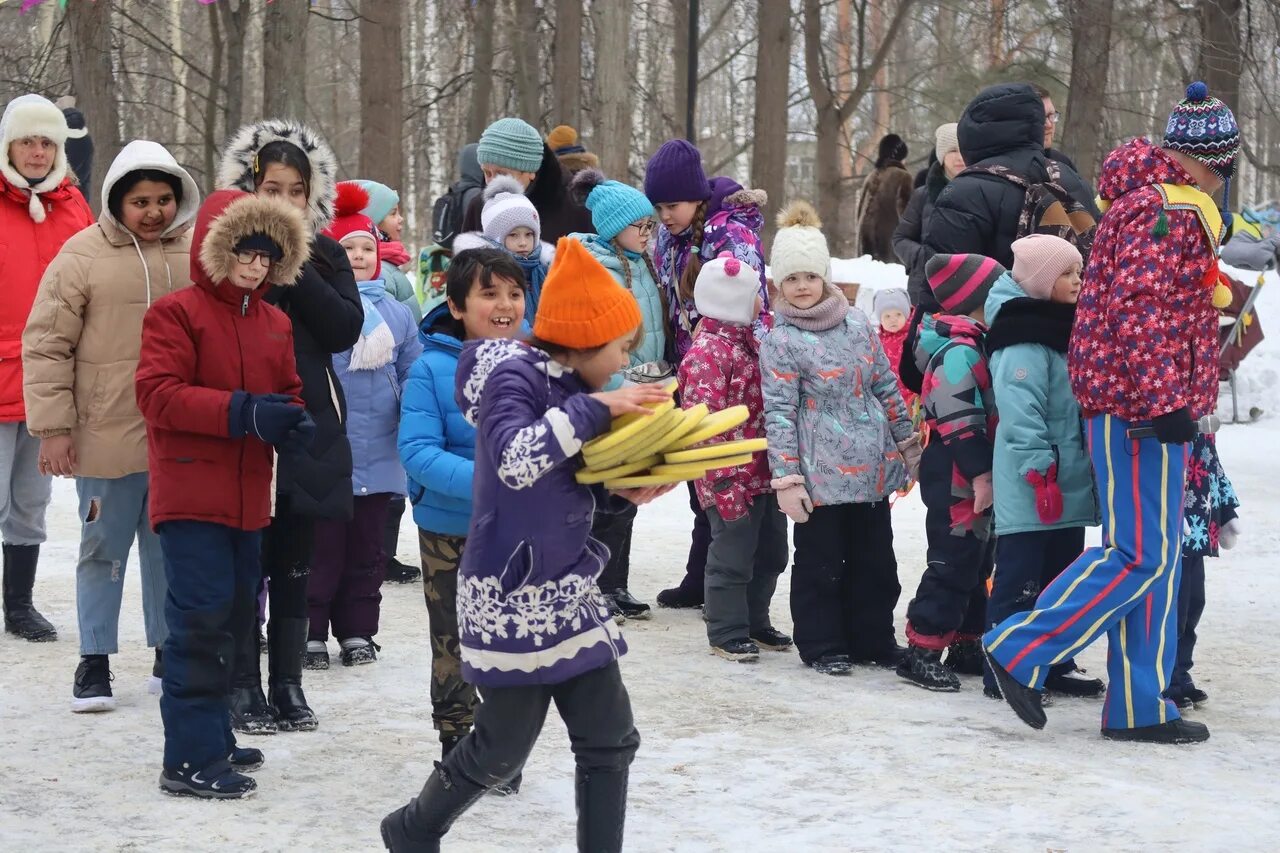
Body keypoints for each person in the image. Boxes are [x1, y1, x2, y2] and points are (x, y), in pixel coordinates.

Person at [381, 237, 673, 852]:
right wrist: (597, 408)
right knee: (502, 747)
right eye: (620, 346)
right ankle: (411, 829)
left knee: (609, 739)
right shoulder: (507, 376)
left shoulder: (571, 387)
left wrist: (627, 488)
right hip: (509, 593)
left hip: (565, 586)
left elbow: (571, 476)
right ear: (585, 342)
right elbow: (515, 460)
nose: (625, 358)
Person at [984, 83, 1239, 745]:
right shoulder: (1171, 214)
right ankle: (1019, 645)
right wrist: (1166, 400)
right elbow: (1143, 312)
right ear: (1212, 163)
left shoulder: (1148, 205)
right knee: (1142, 555)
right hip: (1139, 406)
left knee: (1147, 555)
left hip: (1133, 400)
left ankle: (1139, 700)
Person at [136, 187, 312, 799]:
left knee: (236, 619)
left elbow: (286, 390)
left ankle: (214, 735)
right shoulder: (176, 313)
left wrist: (293, 419)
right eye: (246, 252)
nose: (256, 266)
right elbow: (157, 395)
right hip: (190, 495)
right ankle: (187, 758)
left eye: (268, 257)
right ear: (217, 249)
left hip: (247, 499)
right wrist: (242, 413)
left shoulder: (274, 321)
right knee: (200, 623)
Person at [22, 140, 199, 711]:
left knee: (169, 550)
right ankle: (93, 661)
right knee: (101, 546)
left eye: (164, 199)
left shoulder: (197, 254)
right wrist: (53, 429)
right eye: (141, 201)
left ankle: (168, 653)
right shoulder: (80, 255)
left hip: (178, 436)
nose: (154, 212)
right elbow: (47, 344)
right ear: (116, 203)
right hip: (104, 433)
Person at [217, 119, 363, 734]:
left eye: (295, 191)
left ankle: (289, 683)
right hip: (245, 425)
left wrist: (295, 266)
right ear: (251, 188)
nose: (282, 202)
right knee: (245, 560)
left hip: (309, 425)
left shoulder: (327, 255)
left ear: (311, 196)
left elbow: (343, 331)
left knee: (295, 558)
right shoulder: (227, 253)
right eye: (271, 189)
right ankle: (244, 686)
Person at [761, 202, 915, 675]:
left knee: (875, 561)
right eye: (791, 279)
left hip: (870, 467)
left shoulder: (856, 324)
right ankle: (823, 642)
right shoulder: (780, 340)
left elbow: (886, 385)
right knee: (821, 563)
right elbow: (780, 413)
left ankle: (872, 637)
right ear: (779, 285)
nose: (802, 287)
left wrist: (907, 444)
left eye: (810, 276)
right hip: (819, 474)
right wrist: (786, 479)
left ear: (825, 276)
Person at [399, 249, 527, 762]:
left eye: (515, 293)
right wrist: (490, 481)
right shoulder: (429, 369)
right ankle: (457, 735)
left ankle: (500, 742)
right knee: (455, 640)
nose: (505, 305)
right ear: (455, 304)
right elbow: (417, 452)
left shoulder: (533, 364)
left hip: (519, 531)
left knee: (513, 637)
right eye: (489, 293)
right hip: (450, 530)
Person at [643, 137, 770, 610]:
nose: (664, 215)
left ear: (695, 196)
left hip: (733, 367)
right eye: (658, 207)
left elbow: (750, 305)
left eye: (672, 205)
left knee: (732, 472)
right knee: (702, 469)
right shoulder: (669, 239)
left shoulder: (729, 235)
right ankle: (704, 572)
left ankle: (731, 582)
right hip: (693, 366)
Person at [982, 234, 1103, 701]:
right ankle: (1002, 665)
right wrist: (1040, 471)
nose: (1077, 281)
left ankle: (1052, 663)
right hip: (1036, 484)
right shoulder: (1022, 337)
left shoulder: (1058, 326)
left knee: (1060, 578)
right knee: (1019, 579)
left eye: (1078, 271)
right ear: (1040, 281)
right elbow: (1020, 411)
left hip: (1066, 480)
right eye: (1067, 274)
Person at [306, 184, 422, 670]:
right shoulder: (314, 307)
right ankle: (310, 632)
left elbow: (414, 369)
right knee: (322, 548)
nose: (357, 256)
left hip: (380, 449)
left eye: (367, 248)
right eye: (347, 247)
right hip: (326, 450)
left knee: (368, 550)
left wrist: (414, 415)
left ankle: (357, 630)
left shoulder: (396, 313)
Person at [0, 93, 94, 644]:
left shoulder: (74, 208)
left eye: (46, 142)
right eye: (27, 140)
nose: (37, 152)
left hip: (50, 380)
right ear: (9, 145)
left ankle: (18, 604)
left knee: (31, 501)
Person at [678, 252, 791, 663]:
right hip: (728, 478)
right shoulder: (708, 353)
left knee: (772, 551)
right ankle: (726, 630)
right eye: (755, 295)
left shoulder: (751, 343)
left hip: (763, 473)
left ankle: (755, 619)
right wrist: (723, 481)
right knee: (732, 556)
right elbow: (702, 425)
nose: (762, 302)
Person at [897, 253, 1003, 691]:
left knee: (979, 560)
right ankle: (922, 648)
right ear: (976, 301)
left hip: (974, 472)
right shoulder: (957, 352)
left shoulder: (977, 341)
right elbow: (961, 424)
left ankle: (965, 639)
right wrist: (981, 474)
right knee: (953, 560)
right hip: (959, 471)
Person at [569, 168, 668, 621]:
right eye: (639, 226)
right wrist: (616, 384)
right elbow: (588, 342)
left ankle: (616, 582)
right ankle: (590, 584)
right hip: (612, 393)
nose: (648, 234)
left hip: (644, 392)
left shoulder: (643, 265)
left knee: (630, 493)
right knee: (604, 495)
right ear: (613, 229)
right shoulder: (594, 271)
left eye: (651, 225)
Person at [356, 179, 423, 587]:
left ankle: (387, 552)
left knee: (390, 490)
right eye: (393, 212)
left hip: (390, 393)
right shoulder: (384, 270)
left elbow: (410, 328)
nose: (400, 219)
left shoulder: (394, 271)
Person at [925, 84, 1051, 269]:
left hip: (992, 297)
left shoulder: (964, 191)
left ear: (972, 133)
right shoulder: (1070, 178)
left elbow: (944, 279)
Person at [1165, 435, 1240, 709]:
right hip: (1177, 529)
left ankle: (1181, 672)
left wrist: (1228, 511)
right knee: (1175, 610)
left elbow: (1213, 466)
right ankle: (1167, 679)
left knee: (1194, 605)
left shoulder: (1203, 423)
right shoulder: (1172, 418)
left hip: (1199, 530)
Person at [460, 117, 593, 242]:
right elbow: (464, 264)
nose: (493, 182)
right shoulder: (478, 207)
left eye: (502, 174)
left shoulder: (577, 206)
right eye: (487, 173)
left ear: (530, 171)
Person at [454, 175, 554, 321]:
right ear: (495, 238)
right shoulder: (486, 274)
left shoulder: (544, 270)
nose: (523, 242)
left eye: (529, 234)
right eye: (513, 235)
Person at [894, 122, 963, 309]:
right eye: (953, 150)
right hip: (925, 287)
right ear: (941, 155)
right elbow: (900, 238)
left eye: (964, 149)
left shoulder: (984, 191)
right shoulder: (922, 195)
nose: (960, 157)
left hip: (968, 287)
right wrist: (922, 257)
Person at [1031, 83, 1102, 219]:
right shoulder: (1002, 167)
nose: (1049, 124)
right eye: (1041, 117)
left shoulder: (1062, 163)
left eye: (1052, 115)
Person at [356, 179, 422, 322]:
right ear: (374, 221)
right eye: (393, 213)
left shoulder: (384, 264)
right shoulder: (378, 271)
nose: (401, 219)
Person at [855, 133, 914, 263]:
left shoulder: (870, 177)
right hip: (890, 252)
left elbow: (859, 214)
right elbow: (909, 219)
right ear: (901, 157)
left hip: (865, 250)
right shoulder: (903, 177)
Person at [871, 288, 915, 411]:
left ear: (907, 314)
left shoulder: (915, 336)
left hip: (912, 396)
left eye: (898, 314)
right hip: (888, 399)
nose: (893, 319)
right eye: (887, 316)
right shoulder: (876, 342)